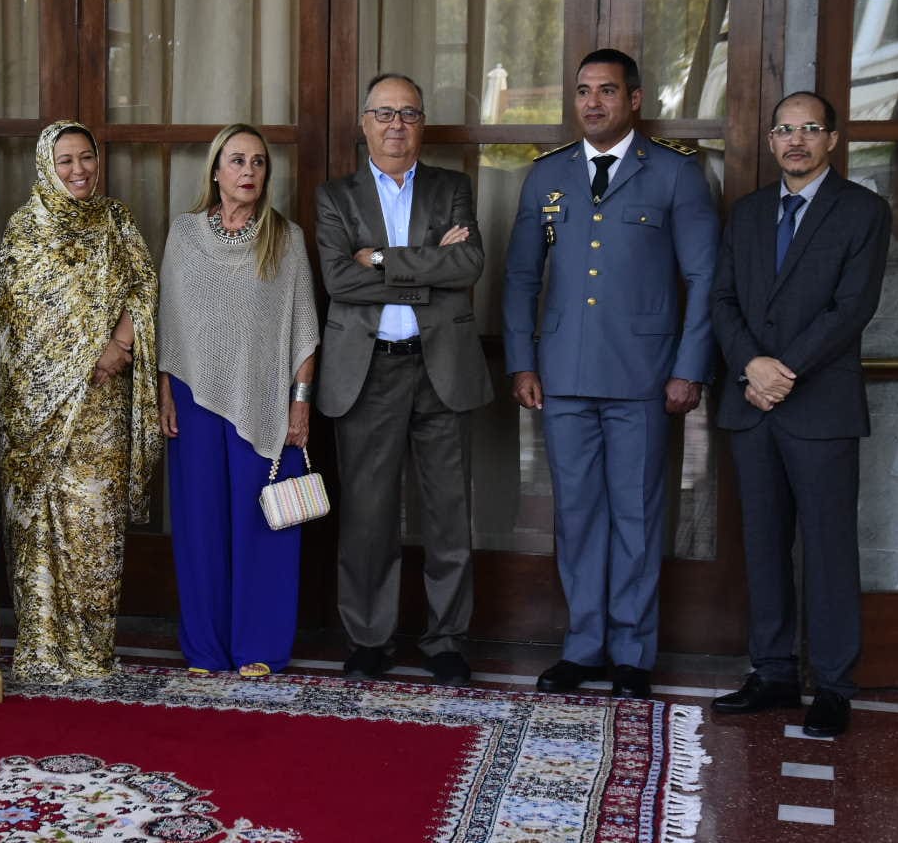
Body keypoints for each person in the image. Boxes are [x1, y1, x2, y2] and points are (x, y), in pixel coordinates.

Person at [502, 48, 719, 699]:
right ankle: (582, 646)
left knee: (638, 515)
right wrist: (522, 361)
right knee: (577, 514)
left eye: (606, 90)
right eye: (583, 91)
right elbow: (519, 277)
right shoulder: (546, 177)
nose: (592, 102)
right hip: (563, 372)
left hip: (644, 377)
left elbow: (705, 277)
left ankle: (631, 651)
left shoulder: (676, 176)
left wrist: (689, 368)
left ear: (635, 100)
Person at [709, 91, 891, 738]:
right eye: (785, 129)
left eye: (810, 129)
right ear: (771, 138)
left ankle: (835, 685)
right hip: (752, 406)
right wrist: (750, 366)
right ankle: (774, 672)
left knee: (829, 549)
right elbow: (722, 299)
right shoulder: (749, 213)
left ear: (832, 141)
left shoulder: (863, 211)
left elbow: (851, 309)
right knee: (763, 547)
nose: (796, 140)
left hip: (819, 407)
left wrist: (781, 371)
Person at [316, 73, 493, 687]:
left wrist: (384, 258)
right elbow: (340, 282)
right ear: (364, 123)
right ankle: (369, 638)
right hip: (367, 374)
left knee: (449, 514)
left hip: (439, 366)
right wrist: (428, 266)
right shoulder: (335, 197)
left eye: (409, 114)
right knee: (368, 516)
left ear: (422, 123)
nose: (397, 125)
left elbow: (467, 263)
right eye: (385, 114)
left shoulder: (452, 188)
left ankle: (446, 639)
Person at [0, 121, 160, 684]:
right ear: (47, 165)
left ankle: (92, 649)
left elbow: (143, 287)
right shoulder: (23, 230)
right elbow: (15, 325)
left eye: (85, 158)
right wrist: (62, 369)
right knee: (40, 523)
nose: (78, 171)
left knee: (95, 525)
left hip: (101, 404)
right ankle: (42, 648)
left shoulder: (116, 222)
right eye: (64, 160)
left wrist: (118, 346)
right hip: (38, 411)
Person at [158, 123, 319, 678]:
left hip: (268, 399)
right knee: (200, 523)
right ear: (216, 170)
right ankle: (204, 648)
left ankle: (260, 646)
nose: (248, 172)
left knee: (262, 526)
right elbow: (168, 324)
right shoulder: (183, 234)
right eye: (237, 161)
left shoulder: (286, 237)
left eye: (257, 162)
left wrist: (300, 404)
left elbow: (304, 327)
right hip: (194, 396)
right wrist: (164, 391)